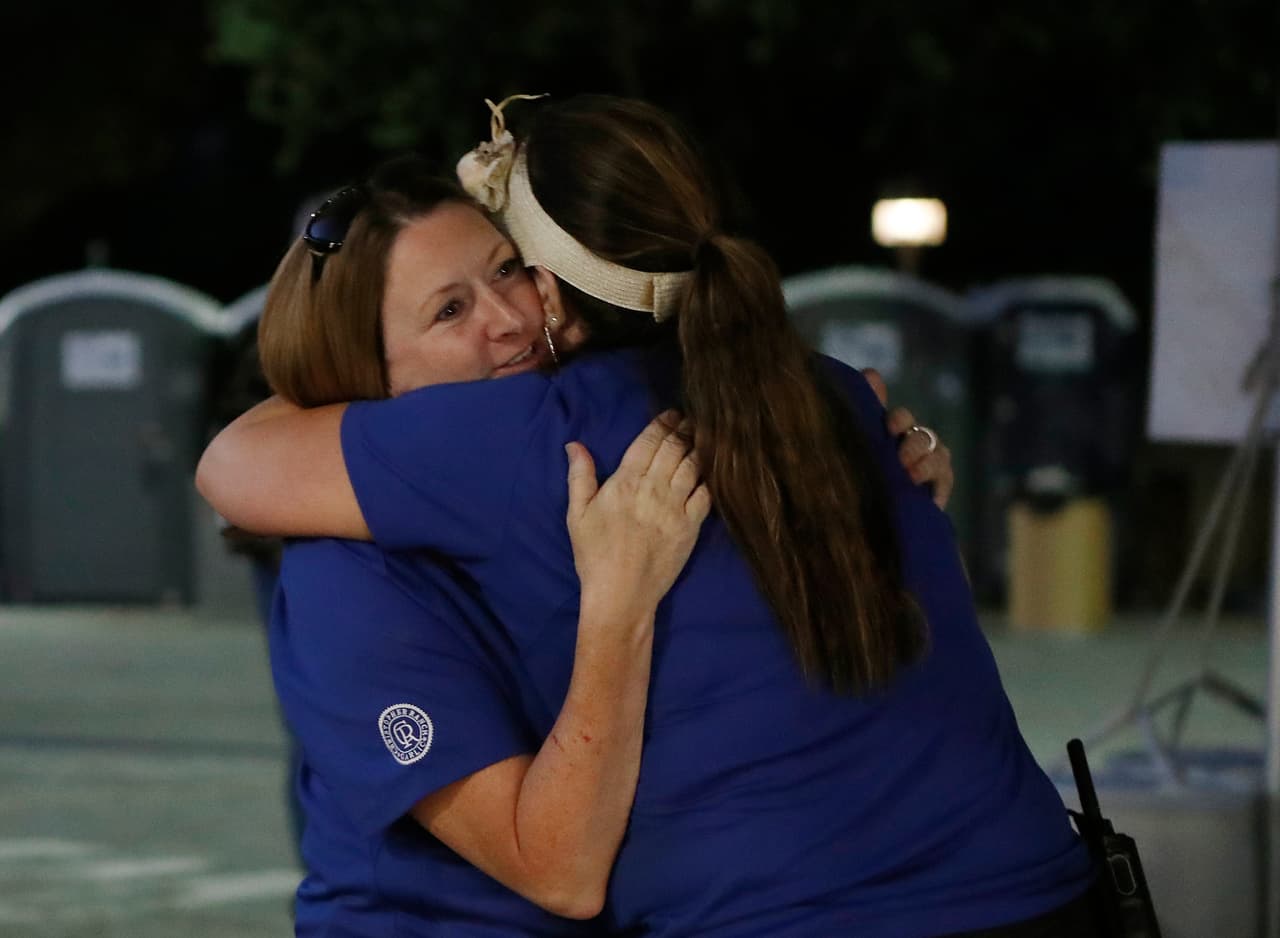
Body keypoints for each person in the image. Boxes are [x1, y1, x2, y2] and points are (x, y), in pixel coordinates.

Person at [198, 94, 1095, 936]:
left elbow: (237, 461)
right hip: (1042, 886)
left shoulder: (545, 435)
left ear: (554, 280)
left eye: (508, 269)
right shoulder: (814, 392)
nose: (509, 317)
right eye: (449, 310)